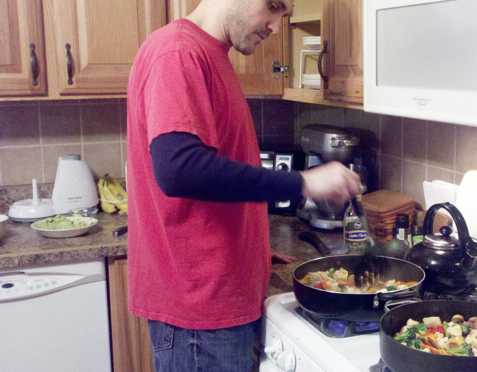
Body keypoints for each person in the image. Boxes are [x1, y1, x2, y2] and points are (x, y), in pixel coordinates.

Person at [125, 0, 362, 371]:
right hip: (200, 308)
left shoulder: (211, 53)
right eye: (273, 6)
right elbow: (178, 168)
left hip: (217, 288)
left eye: (284, 13)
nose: (275, 24)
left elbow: (215, 182)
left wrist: (249, 248)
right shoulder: (179, 53)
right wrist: (303, 182)